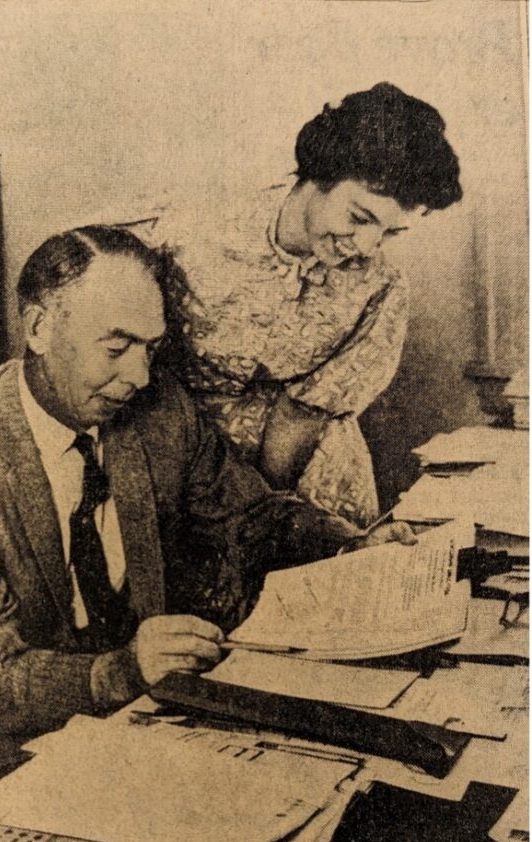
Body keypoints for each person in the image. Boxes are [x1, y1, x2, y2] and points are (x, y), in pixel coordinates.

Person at [0, 225, 413, 818]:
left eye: (150, 347)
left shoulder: (156, 405)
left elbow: (250, 515)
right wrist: (122, 671)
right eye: (116, 348)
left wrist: (351, 547)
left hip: (100, 708)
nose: (140, 376)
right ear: (39, 328)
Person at [143, 82, 462, 527]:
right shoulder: (190, 233)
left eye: (391, 233)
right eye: (359, 218)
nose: (368, 247)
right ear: (320, 172)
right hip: (182, 453)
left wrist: (265, 519)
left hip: (304, 463)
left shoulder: (382, 288)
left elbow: (301, 417)